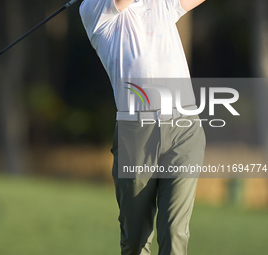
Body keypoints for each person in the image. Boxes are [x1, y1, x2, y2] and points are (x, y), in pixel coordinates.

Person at [80, 0, 206, 254]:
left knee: (175, 232)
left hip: (185, 128)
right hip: (136, 134)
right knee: (135, 242)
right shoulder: (93, 8)